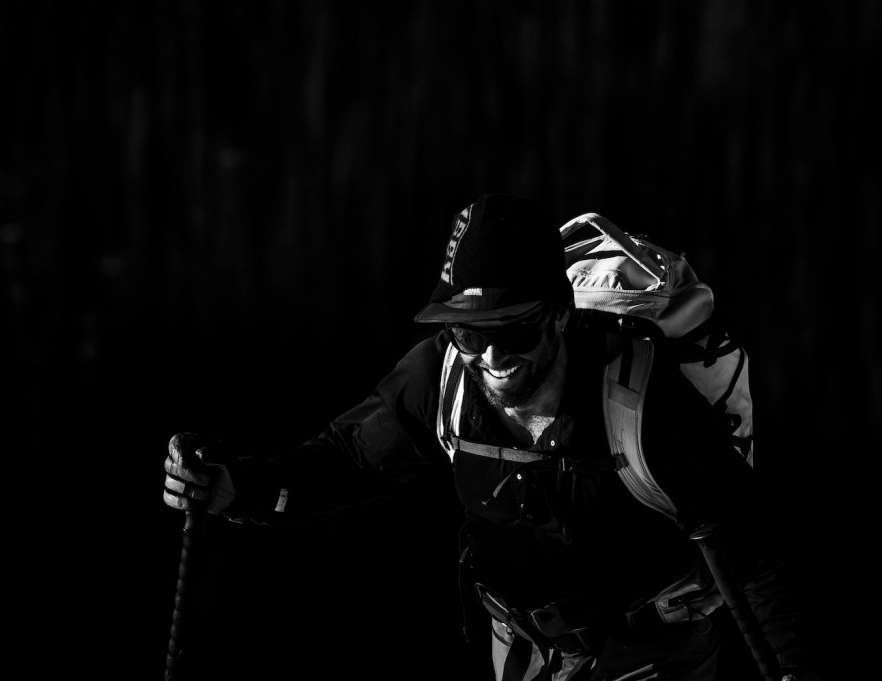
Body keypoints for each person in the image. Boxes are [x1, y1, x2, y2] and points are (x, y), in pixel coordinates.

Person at [162, 193, 823, 681]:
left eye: (514, 331)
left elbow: (753, 549)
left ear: (561, 316)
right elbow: (345, 462)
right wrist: (234, 486)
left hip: (652, 653)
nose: (492, 356)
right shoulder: (441, 381)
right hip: (521, 650)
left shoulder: (643, 404)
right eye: (469, 332)